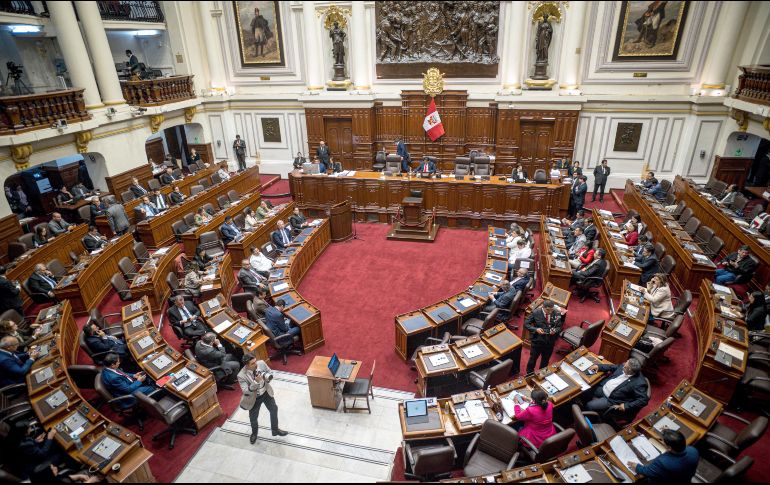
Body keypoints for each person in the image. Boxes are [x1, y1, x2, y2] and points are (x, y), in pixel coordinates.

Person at [238, 354, 287, 444]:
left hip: (266, 392)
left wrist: (267, 377)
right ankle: (254, 433)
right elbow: (245, 391)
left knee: (274, 409)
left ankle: (275, 429)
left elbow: (270, 372)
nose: (256, 364)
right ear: (246, 365)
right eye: (253, 363)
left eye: (255, 361)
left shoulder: (261, 363)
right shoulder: (241, 375)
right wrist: (255, 382)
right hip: (254, 398)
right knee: (253, 417)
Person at [626, 429, 698, 483]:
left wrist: (637, 467)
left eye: (663, 441)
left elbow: (647, 471)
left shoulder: (662, 462)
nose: (662, 441)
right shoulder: (693, 450)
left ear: (669, 448)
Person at [524, 300, 562, 374]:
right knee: (533, 359)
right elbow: (526, 324)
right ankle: (529, 374)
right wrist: (535, 329)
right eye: (548, 310)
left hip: (550, 341)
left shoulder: (557, 313)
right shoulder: (536, 312)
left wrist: (555, 330)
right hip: (537, 340)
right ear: (543, 307)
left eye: (552, 309)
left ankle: (542, 374)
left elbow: (559, 326)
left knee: (545, 360)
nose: (550, 312)